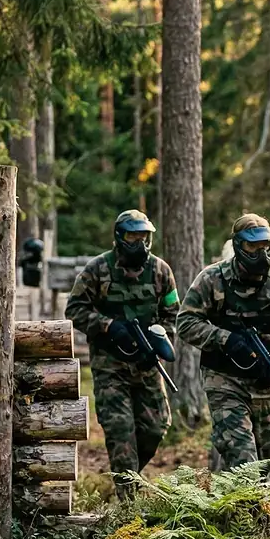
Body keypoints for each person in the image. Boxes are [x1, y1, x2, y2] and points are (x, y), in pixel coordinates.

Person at [176, 214, 270, 470]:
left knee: (264, 463)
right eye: (253, 246)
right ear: (238, 245)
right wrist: (226, 340)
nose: (261, 253)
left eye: (266, 246)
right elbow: (186, 323)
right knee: (242, 459)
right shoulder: (212, 279)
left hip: (265, 383)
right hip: (224, 380)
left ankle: (233, 509)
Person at [65, 210, 180, 492]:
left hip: (146, 364)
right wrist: (109, 326)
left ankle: (126, 475)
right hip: (110, 367)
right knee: (120, 432)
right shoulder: (97, 269)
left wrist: (157, 340)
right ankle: (128, 501)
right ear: (120, 237)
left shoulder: (161, 271)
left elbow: (172, 314)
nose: (140, 243)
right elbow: (75, 309)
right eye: (133, 236)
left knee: (156, 428)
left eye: (144, 237)